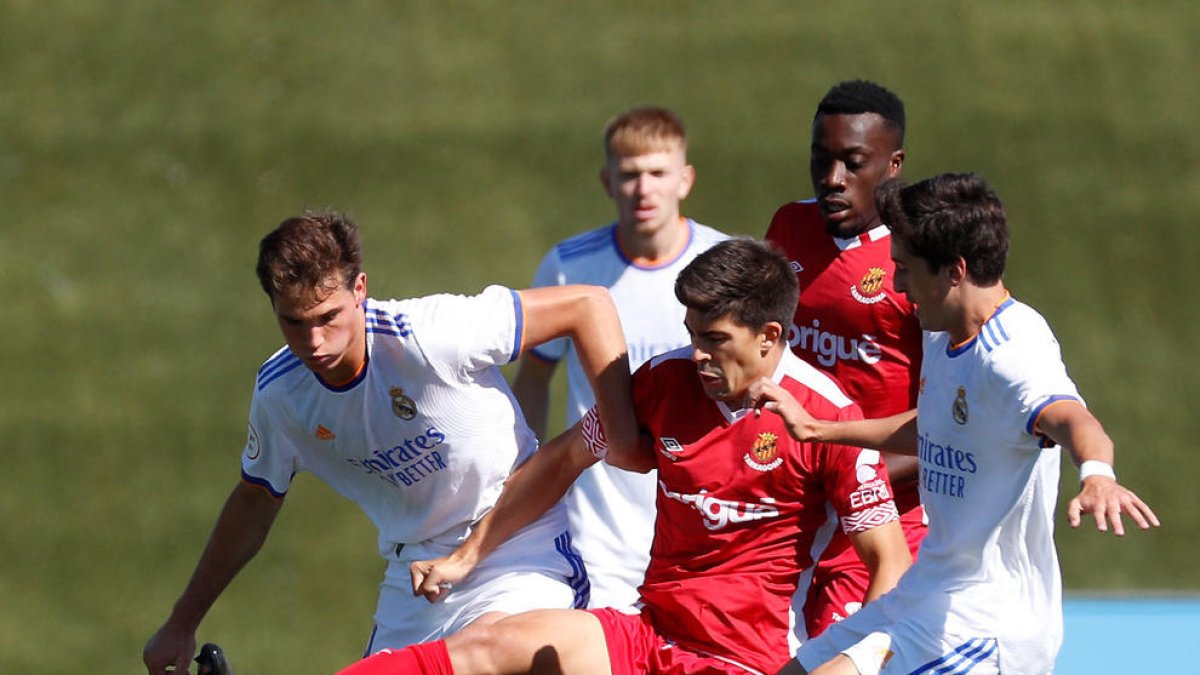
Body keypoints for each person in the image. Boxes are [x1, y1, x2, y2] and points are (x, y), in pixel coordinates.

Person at [339, 238, 913, 675]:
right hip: (648, 636)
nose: (697, 356)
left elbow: (889, 561)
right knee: (490, 644)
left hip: (745, 661)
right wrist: (468, 556)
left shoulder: (829, 419)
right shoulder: (664, 384)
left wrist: (853, 664)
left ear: (767, 335)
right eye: (691, 334)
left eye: (714, 340)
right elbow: (564, 458)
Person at [141, 210, 639, 674]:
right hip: (415, 575)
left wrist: (624, 439)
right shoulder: (281, 396)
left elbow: (586, 304)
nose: (314, 342)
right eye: (293, 322)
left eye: (328, 317)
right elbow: (253, 502)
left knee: (491, 651)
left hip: (517, 543)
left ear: (360, 289)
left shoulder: (431, 334)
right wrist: (182, 622)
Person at [758, 174, 1160, 674]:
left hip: (987, 622)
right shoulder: (945, 332)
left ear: (954, 271)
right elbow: (935, 427)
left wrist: (1097, 473)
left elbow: (1071, 417)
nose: (899, 287)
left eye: (905, 270)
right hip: (927, 593)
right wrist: (820, 430)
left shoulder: (1012, 354)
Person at [511, 105, 728, 609]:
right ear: (608, 181)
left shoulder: (727, 264)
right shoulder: (569, 267)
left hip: (704, 527)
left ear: (685, 179)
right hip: (599, 539)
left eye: (657, 173)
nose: (644, 189)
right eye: (630, 175)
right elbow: (535, 375)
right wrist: (520, 470)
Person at [764, 79, 926, 639]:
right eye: (820, 160)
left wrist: (849, 481)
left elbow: (949, 427)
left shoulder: (921, 261)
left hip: (888, 520)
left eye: (853, 163)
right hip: (793, 505)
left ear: (893, 163)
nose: (832, 180)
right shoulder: (788, 228)